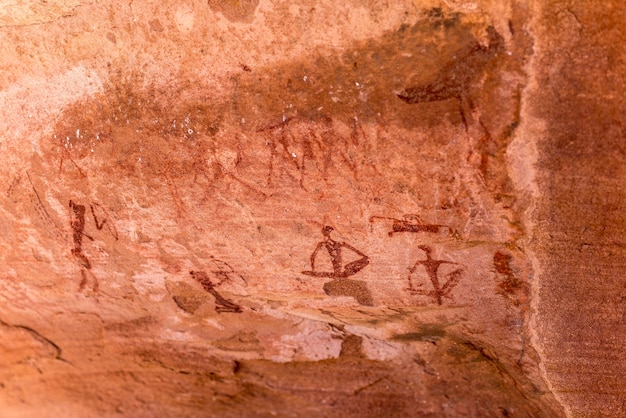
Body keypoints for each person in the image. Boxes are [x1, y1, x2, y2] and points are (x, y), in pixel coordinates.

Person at [302, 226, 369, 278]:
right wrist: (313, 268)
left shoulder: (339, 243)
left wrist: (363, 255)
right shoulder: (324, 243)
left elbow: (354, 250)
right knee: (344, 269)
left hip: (339, 269)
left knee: (349, 267)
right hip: (337, 269)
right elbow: (313, 256)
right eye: (329, 232)